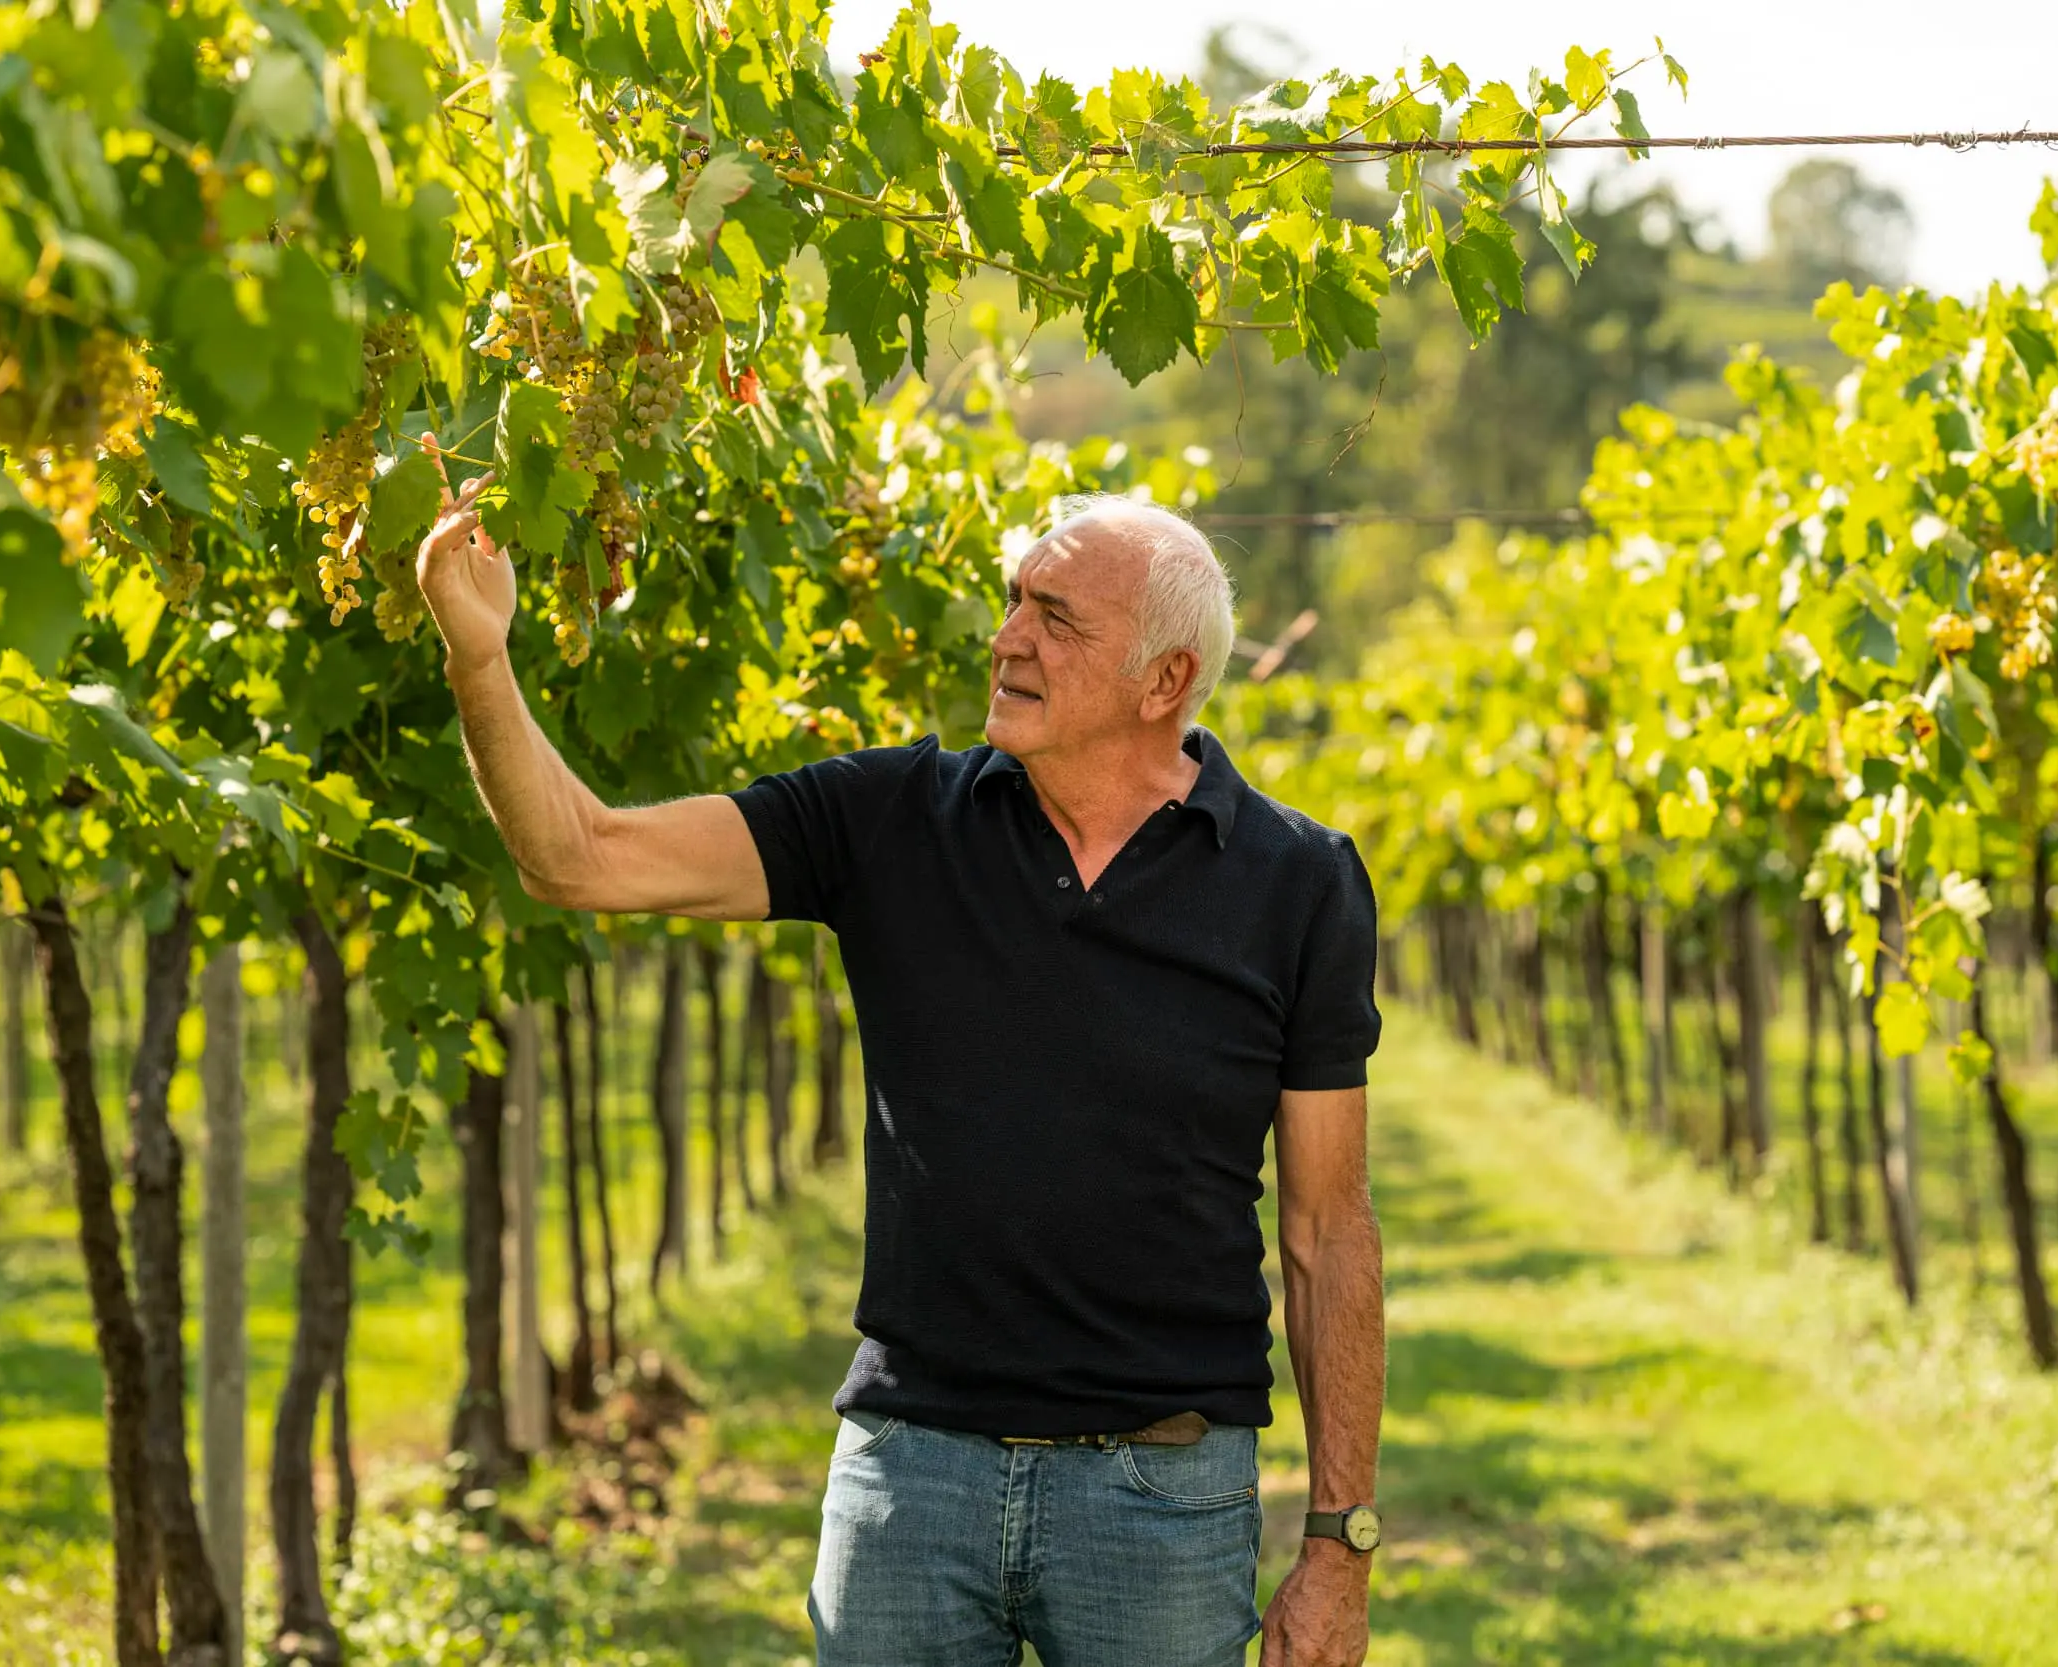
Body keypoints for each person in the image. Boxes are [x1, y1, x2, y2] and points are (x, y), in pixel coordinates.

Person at [415, 445, 1388, 1667]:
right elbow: (581, 855)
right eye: (1014, 601)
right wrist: (479, 656)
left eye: (1056, 617)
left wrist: (1337, 1544)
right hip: (908, 1477)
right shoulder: (886, 821)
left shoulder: (1297, 882)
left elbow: (1327, 1231)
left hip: (1163, 1494)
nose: (1008, 639)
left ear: (1167, 679)